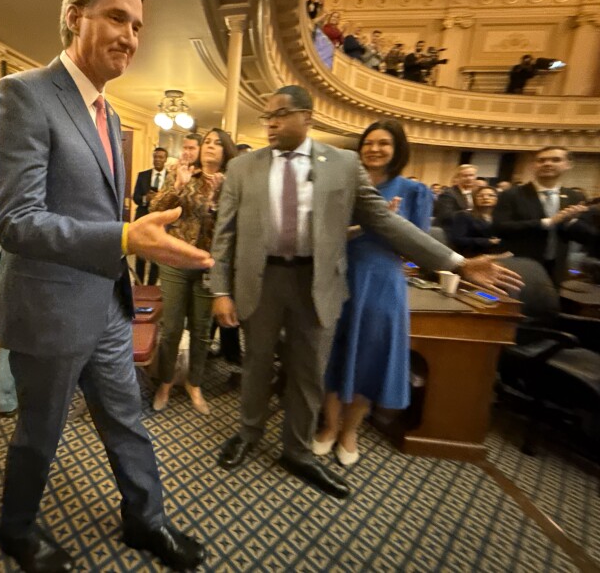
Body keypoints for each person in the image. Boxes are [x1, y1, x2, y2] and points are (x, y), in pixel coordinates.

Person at [0, 0, 209, 573]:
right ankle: (17, 529)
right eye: (116, 16)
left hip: (107, 307)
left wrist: (132, 238)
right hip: (50, 308)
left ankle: (146, 522)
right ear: (73, 16)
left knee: (128, 422)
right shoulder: (23, 95)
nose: (130, 36)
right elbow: (16, 221)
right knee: (40, 434)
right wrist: (123, 237)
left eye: (137, 24)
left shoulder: (112, 116)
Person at [210, 85, 521, 500]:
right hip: (260, 281)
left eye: (280, 114)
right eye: (267, 115)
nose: (271, 123)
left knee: (308, 373)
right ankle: (248, 433)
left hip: (316, 283)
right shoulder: (243, 167)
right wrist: (220, 290)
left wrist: (458, 263)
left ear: (307, 116)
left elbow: (387, 223)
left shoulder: (342, 164)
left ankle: (298, 451)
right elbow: (224, 234)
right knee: (257, 363)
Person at [313, 120, 433, 467]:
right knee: (332, 355)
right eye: (368, 142)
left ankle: (351, 431)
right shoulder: (343, 185)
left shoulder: (414, 192)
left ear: (397, 150)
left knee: (369, 358)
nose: (375, 149)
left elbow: (418, 249)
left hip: (382, 284)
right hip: (340, 277)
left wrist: (393, 226)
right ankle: (330, 426)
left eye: (384, 143)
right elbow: (326, 236)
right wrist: (368, 224)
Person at [150, 128, 237, 416]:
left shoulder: (233, 184)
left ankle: (194, 383)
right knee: (172, 327)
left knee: (201, 332)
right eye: (206, 142)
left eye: (217, 143)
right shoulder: (184, 172)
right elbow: (155, 207)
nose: (210, 147)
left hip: (208, 266)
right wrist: (177, 185)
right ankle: (165, 382)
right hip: (176, 260)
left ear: (226, 151)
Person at [493, 146, 590, 284]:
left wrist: (572, 222)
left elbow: (581, 237)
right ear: (533, 165)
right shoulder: (512, 194)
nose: (547, 163)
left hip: (556, 266)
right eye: (541, 160)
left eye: (555, 160)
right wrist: (547, 222)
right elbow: (499, 228)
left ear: (568, 165)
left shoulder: (573, 196)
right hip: (520, 264)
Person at [131, 146, 168, 285]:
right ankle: (138, 286)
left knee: (156, 257)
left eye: (160, 157)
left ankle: (151, 287)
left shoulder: (171, 177)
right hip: (142, 219)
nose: (157, 160)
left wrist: (159, 198)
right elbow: (135, 197)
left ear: (165, 159)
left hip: (160, 221)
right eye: (155, 157)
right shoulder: (143, 175)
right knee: (140, 256)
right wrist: (146, 198)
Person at [450, 186, 502, 257]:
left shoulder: (501, 217)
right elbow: (458, 239)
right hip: (472, 254)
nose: (485, 198)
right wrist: (488, 241)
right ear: (474, 199)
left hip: (498, 253)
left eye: (491, 195)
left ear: (497, 199)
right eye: (480, 196)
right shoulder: (463, 215)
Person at [434, 164, 478, 231]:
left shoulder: (475, 193)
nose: (469, 178)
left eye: (471, 175)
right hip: (450, 230)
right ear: (458, 178)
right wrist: (469, 214)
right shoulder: (448, 194)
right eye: (465, 176)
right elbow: (445, 216)